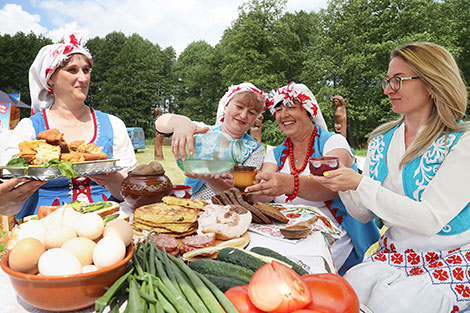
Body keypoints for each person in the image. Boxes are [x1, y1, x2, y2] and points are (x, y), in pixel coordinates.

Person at [312, 42, 470, 312]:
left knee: (395, 304)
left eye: (398, 81)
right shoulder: (381, 140)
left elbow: (430, 220)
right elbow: (363, 214)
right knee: (347, 291)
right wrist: (344, 185)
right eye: (387, 80)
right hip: (396, 252)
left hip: (452, 257)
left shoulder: (461, 143)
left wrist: (359, 183)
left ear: (432, 84)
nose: (387, 90)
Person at [247, 82, 380, 275]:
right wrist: (248, 185)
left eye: (291, 107)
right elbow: (264, 195)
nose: (283, 115)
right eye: (278, 109)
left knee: (299, 274)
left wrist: (287, 183)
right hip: (289, 232)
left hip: (334, 233)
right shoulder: (276, 153)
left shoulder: (333, 142)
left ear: (309, 112)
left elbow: (331, 185)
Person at [1, 34, 136, 219]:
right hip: (47, 224)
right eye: (72, 70)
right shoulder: (29, 128)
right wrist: (5, 199)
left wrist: (113, 179)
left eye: (86, 70)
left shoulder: (113, 124)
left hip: (107, 219)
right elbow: (10, 204)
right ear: (50, 78)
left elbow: (132, 195)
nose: (83, 78)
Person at [155, 83, 266, 200]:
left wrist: (209, 178)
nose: (243, 115)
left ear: (256, 118)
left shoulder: (254, 150)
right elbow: (159, 123)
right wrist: (180, 121)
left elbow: (242, 196)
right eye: (239, 107)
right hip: (193, 205)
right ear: (226, 105)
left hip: (229, 210)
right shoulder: (202, 131)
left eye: (252, 113)